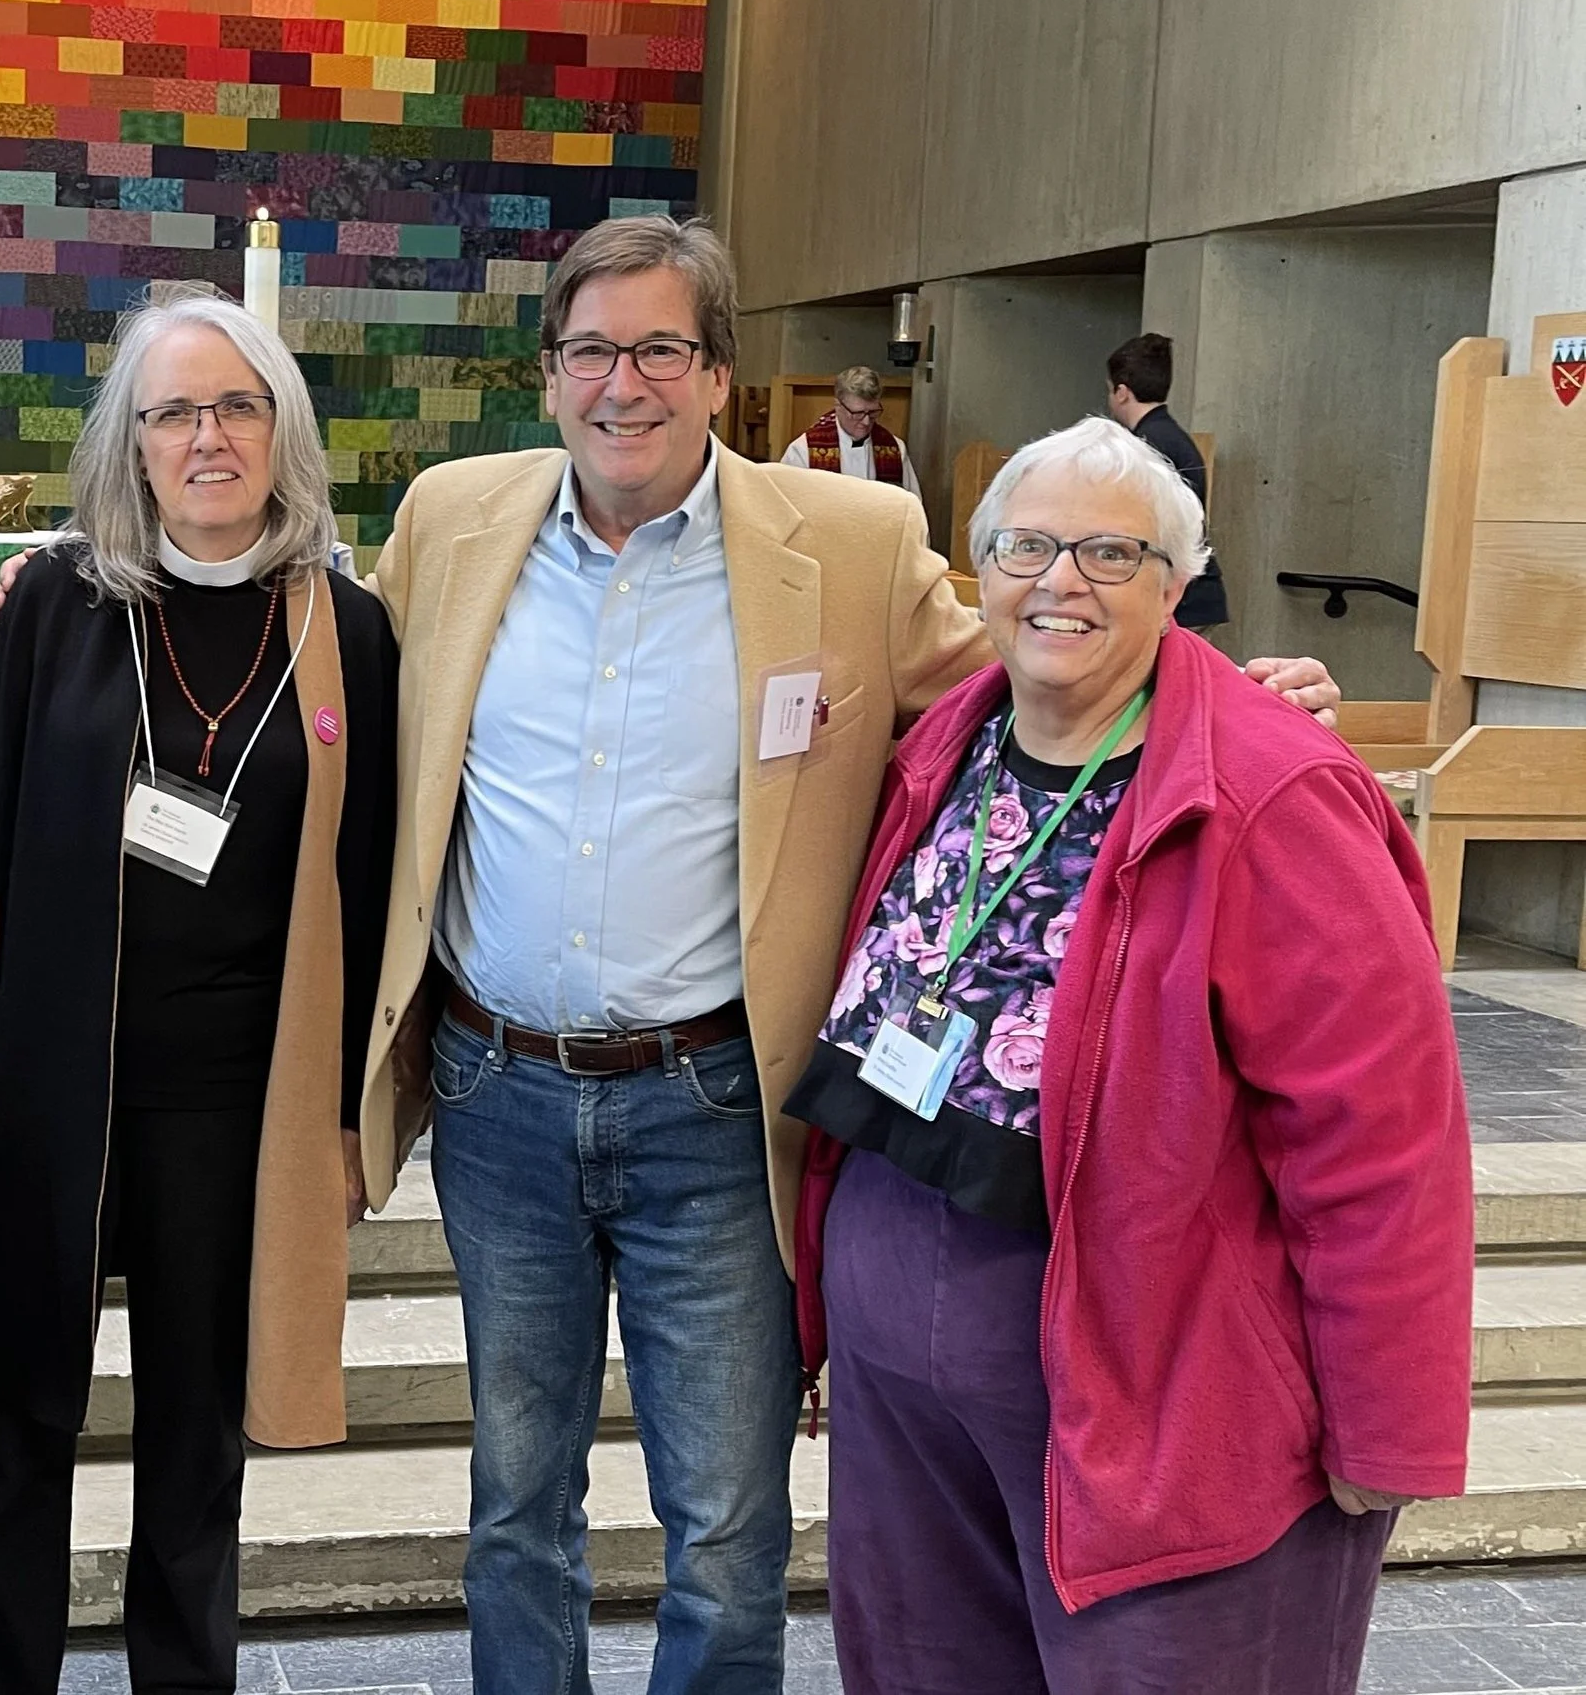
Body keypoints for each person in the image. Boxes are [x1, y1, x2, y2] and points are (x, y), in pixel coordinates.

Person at [345, 216, 1342, 1695]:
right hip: (503, 1098)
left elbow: (1043, 653)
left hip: (722, 1108)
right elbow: (350, 707)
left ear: (721, 373)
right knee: (514, 1512)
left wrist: (1231, 699)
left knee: (732, 1527)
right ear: (547, 374)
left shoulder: (856, 546)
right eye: (594, 351)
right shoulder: (448, 523)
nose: (627, 384)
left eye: (663, 349)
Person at [787, 415, 1469, 1695]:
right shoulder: (942, 744)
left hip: (1159, 1374)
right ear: (974, 568)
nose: (1061, 581)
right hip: (906, 1370)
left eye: (1112, 551)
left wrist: (1392, 1422)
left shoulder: (1270, 787)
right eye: (1027, 545)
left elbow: (1382, 1139)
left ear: (1178, 581)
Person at [0, 290, 398, 1695]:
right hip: (44, 1082)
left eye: (237, 406)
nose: (207, 437)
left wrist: (357, 1110)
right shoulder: (59, 605)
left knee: (198, 1442)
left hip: (234, 1100)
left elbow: (374, 873)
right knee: (17, 1426)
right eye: (174, 411)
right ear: (132, 446)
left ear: (282, 432)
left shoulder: (346, 628)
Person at [1104, 330, 1229, 630]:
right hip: (1193, 594)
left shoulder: (1146, 446)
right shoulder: (1168, 436)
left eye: (1109, 390)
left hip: (1181, 598)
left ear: (1121, 392)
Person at [778, 364, 921, 495]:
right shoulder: (804, 450)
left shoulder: (894, 449)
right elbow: (787, 504)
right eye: (857, 413)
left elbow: (911, 507)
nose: (865, 422)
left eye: (872, 413)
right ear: (838, 406)